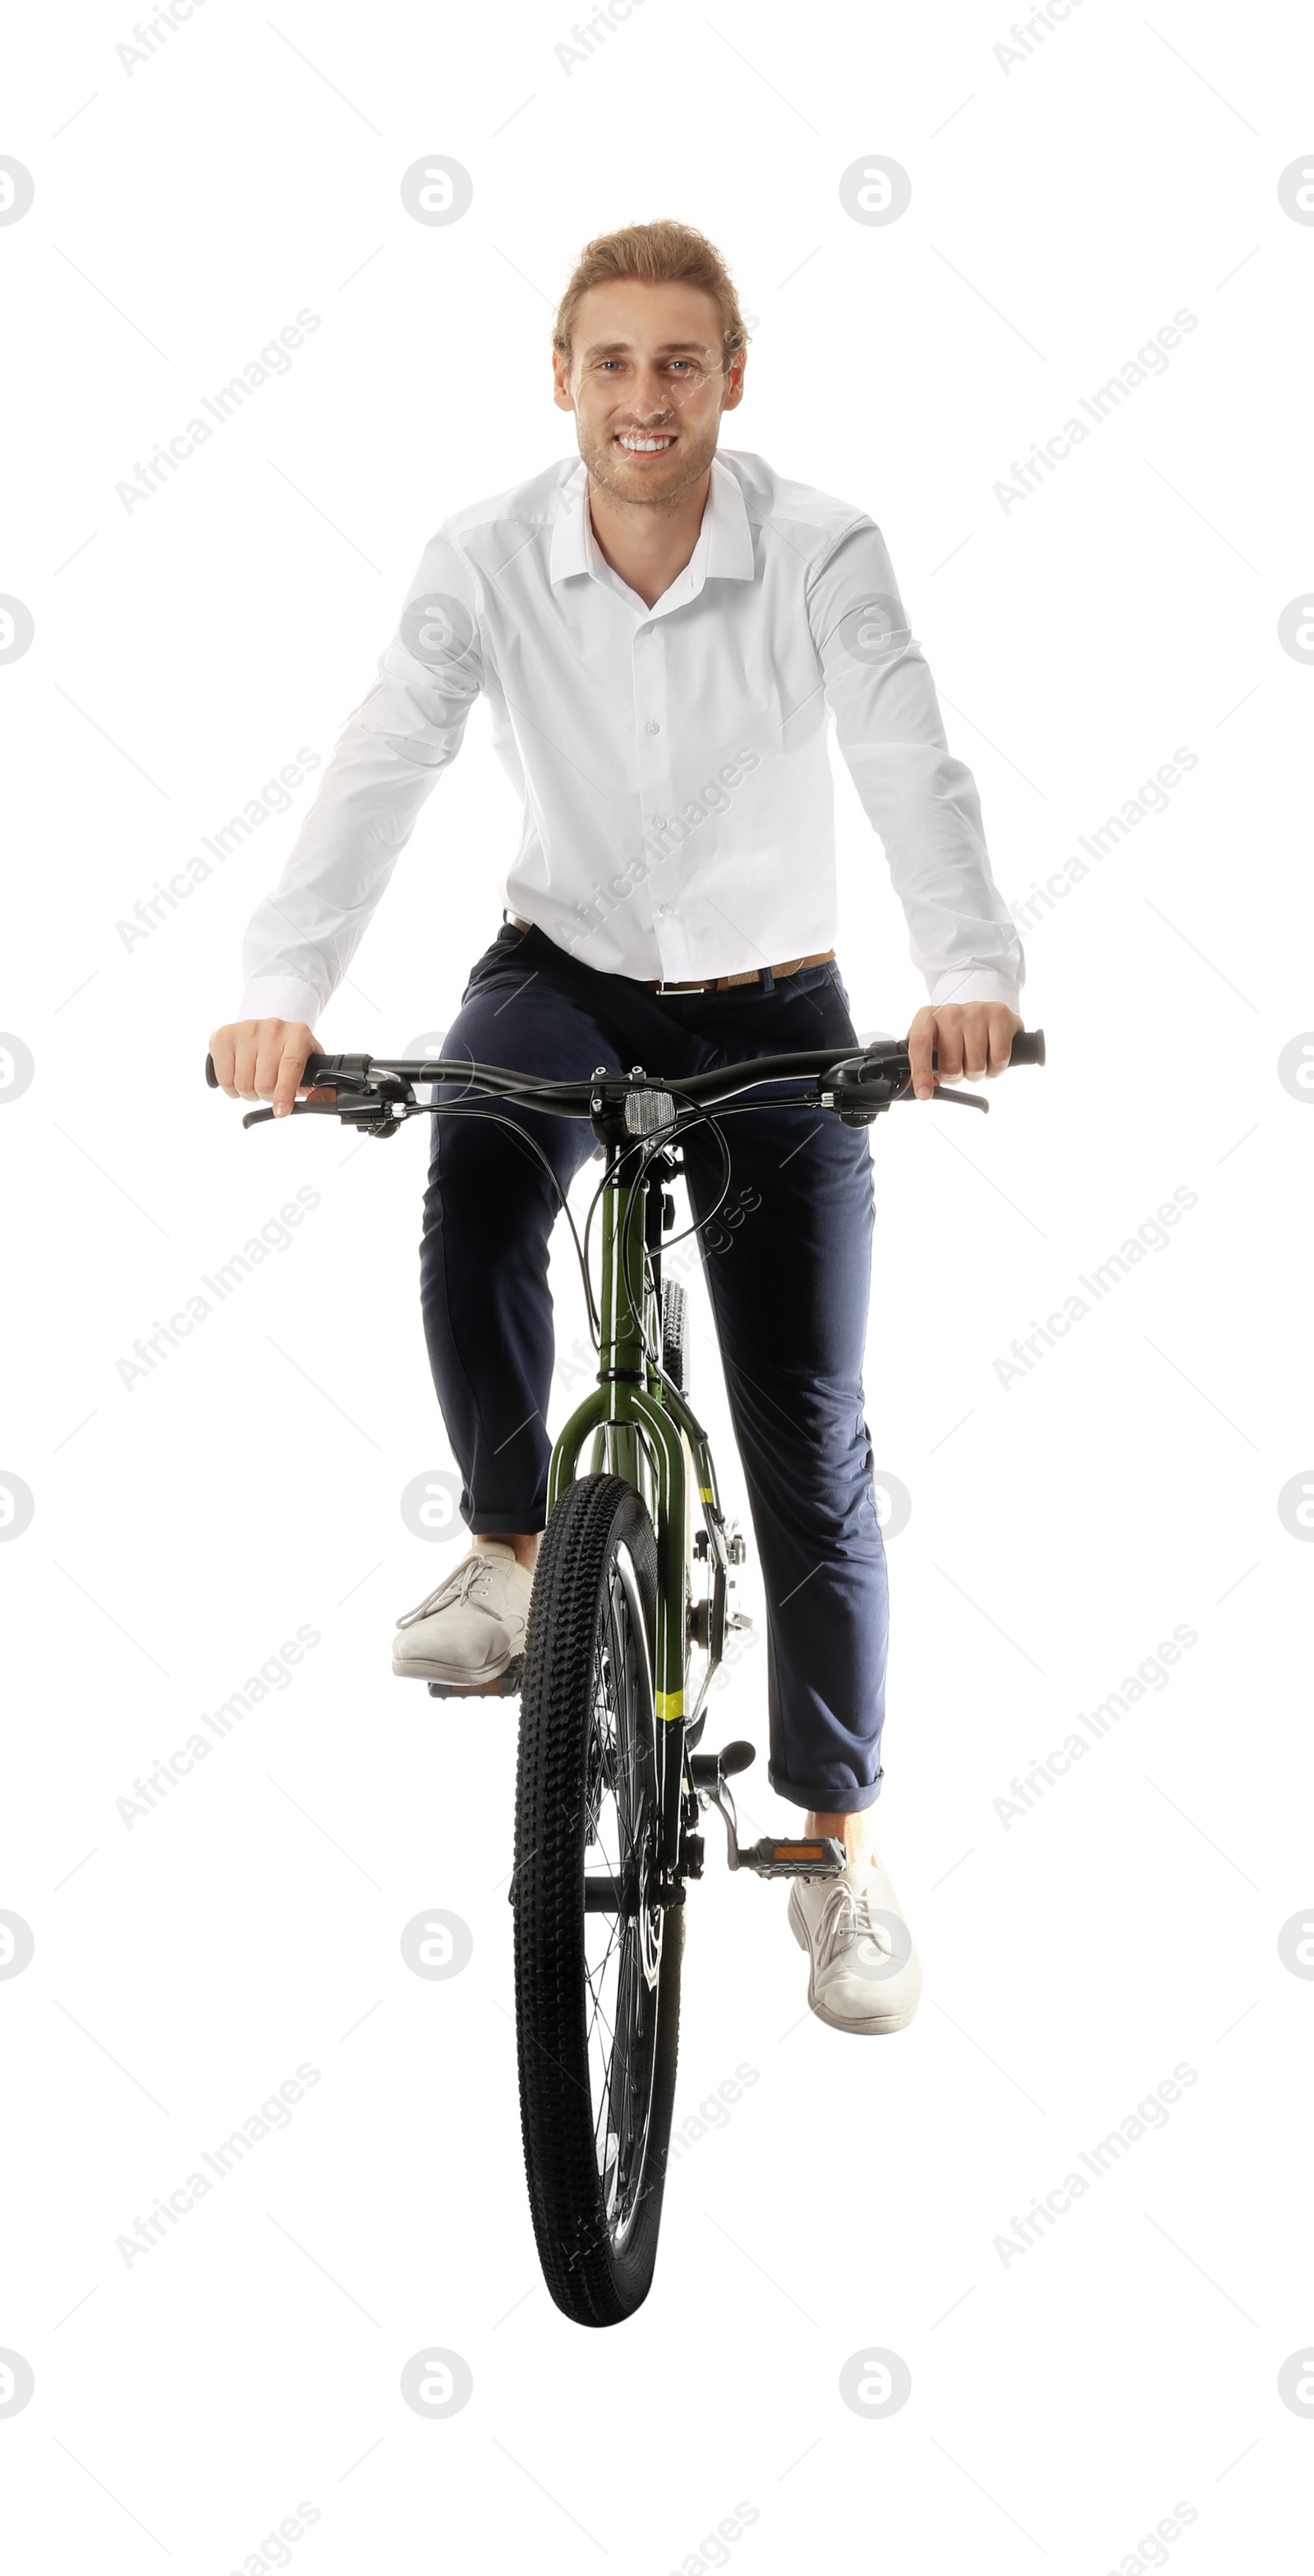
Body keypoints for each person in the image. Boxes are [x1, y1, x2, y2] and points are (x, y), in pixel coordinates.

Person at [209, 219, 1025, 2038]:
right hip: (561, 970)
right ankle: (512, 1552)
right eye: (608, 364)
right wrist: (283, 992)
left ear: (731, 379)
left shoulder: (823, 549)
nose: (641, 400)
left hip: (778, 1003)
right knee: (474, 1181)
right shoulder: (482, 556)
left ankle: (834, 1850)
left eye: (678, 364)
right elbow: (381, 761)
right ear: (559, 378)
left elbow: (907, 757)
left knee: (803, 1432)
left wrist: (961, 969)